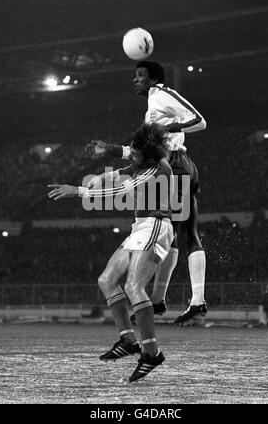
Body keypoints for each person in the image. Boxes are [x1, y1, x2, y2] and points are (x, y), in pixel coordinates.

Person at [48, 123, 174, 382]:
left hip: (157, 226)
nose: (133, 155)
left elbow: (121, 190)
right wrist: (101, 176)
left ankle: (152, 353)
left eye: (136, 153)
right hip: (141, 226)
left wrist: (78, 191)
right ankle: (128, 340)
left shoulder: (158, 168)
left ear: (148, 156)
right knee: (106, 280)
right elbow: (123, 170)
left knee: (134, 288)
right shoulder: (143, 161)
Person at [87, 61, 207, 325]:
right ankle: (160, 300)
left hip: (175, 165)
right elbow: (143, 153)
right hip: (172, 165)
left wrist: (170, 129)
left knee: (181, 232)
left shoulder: (162, 94)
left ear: (153, 79)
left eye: (140, 75)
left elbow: (199, 121)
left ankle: (196, 302)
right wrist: (110, 150)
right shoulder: (152, 107)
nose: (135, 80)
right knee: (174, 233)